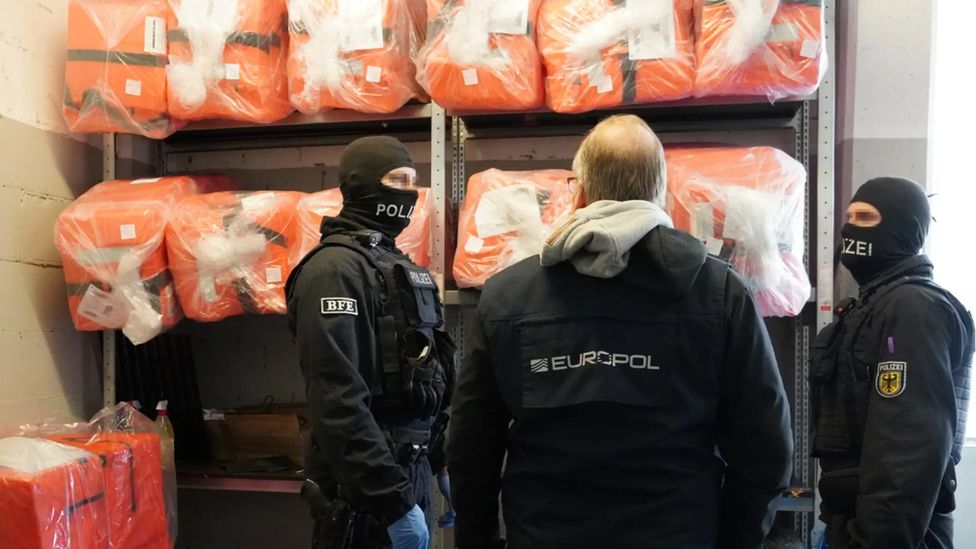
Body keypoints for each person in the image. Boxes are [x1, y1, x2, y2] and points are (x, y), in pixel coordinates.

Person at [447, 114, 794, 549]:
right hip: (678, 534)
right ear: (661, 194)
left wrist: (476, 539)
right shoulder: (719, 292)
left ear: (580, 192)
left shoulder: (506, 296)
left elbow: (471, 446)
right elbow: (765, 446)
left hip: (545, 534)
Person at [286, 136, 456, 549]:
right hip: (363, 496)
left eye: (413, 181)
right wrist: (391, 503)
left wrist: (438, 460)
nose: (408, 192)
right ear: (362, 184)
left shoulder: (397, 266)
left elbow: (422, 377)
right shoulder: (333, 272)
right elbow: (337, 400)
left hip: (405, 475)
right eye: (397, 179)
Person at [811, 177, 975, 549]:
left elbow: (907, 453)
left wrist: (873, 541)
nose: (849, 228)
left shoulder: (914, 310)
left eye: (866, 217)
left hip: (889, 536)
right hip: (849, 524)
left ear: (904, 227)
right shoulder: (875, 307)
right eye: (849, 217)